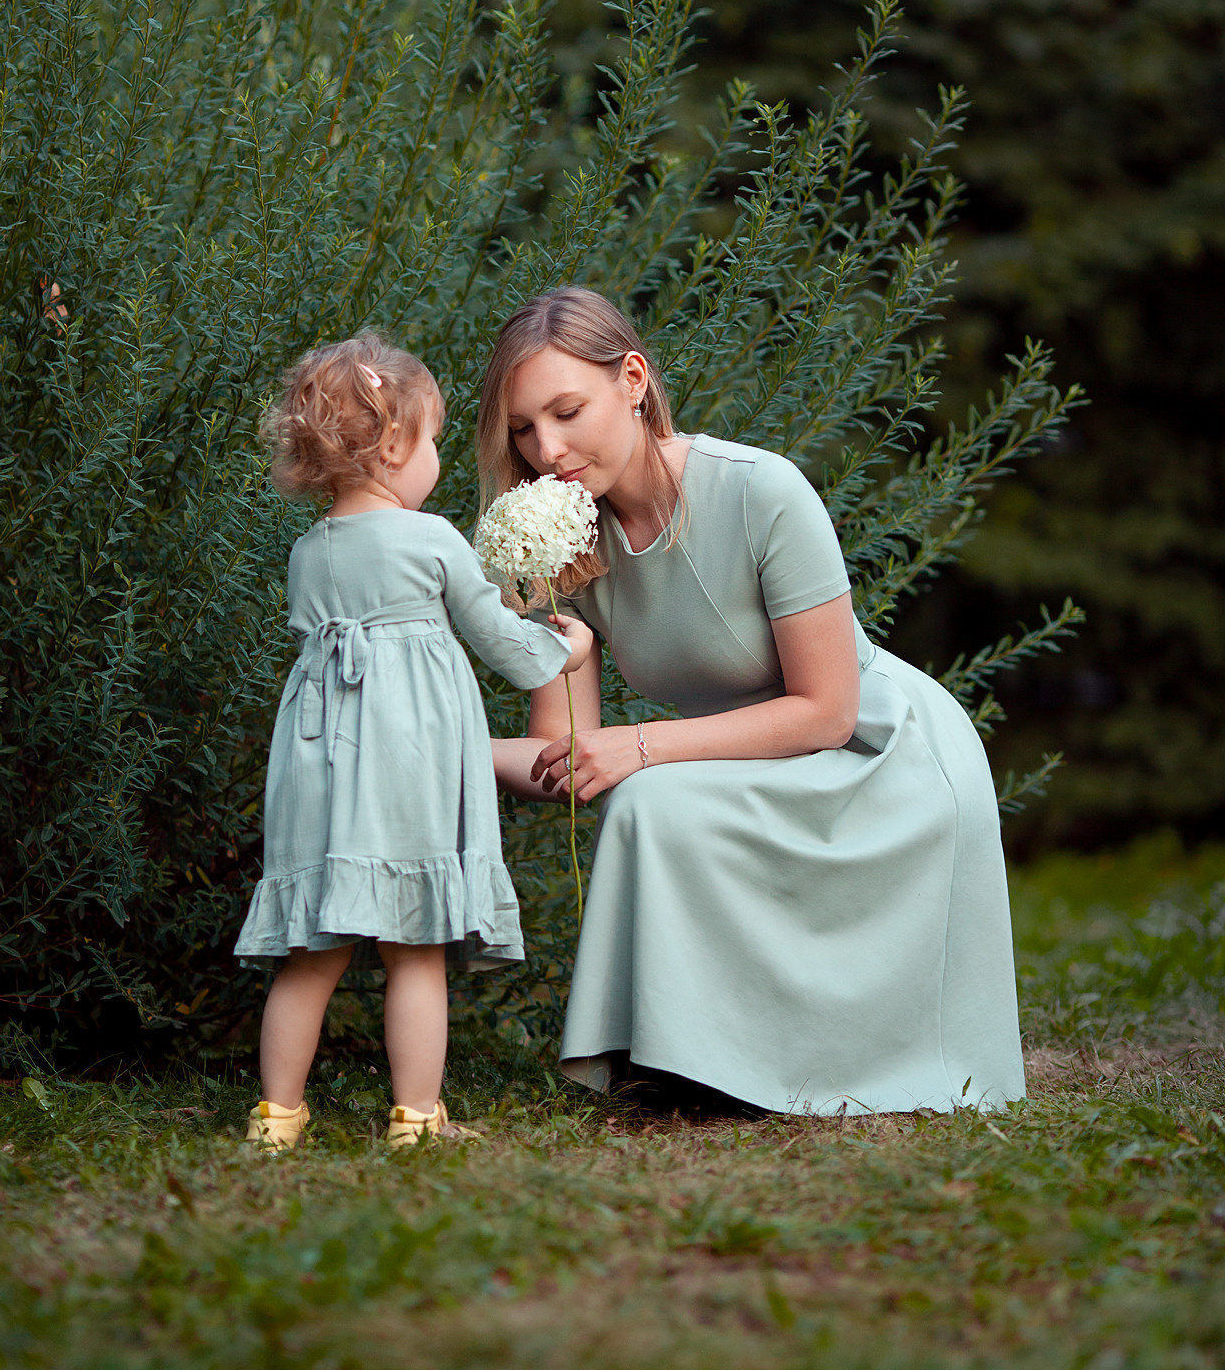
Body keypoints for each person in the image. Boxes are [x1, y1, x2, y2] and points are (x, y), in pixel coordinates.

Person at [478, 289, 1026, 1117]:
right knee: (645, 796)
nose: (546, 447)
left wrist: (642, 745)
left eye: (566, 411)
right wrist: (439, 753)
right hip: (747, 766)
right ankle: (683, 1068)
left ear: (633, 379)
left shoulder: (762, 489)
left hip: (879, 755)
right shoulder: (565, 544)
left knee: (650, 796)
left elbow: (825, 712)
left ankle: (686, 1067)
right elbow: (567, 752)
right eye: (523, 428)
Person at [234, 332, 593, 1149]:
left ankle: (278, 1118)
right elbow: (499, 640)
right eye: (430, 438)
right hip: (405, 763)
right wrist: (561, 644)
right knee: (415, 949)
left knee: (309, 957)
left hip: (319, 762)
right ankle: (415, 1120)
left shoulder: (308, 551)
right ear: (394, 444)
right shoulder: (429, 540)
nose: (435, 456)